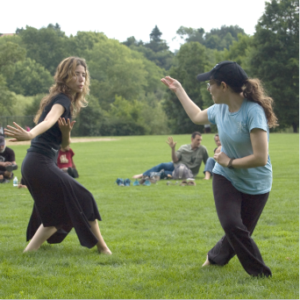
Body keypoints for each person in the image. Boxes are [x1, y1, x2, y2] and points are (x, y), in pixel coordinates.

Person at [161, 61, 278, 277]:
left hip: (256, 182)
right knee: (232, 225)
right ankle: (261, 273)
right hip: (226, 176)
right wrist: (179, 90)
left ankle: (214, 258)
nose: (208, 88)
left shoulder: (253, 113)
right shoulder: (219, 109)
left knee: (240, 233)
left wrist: (229, 161)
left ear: (223, 86)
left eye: (210, 84)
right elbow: (196, 116)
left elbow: (260, 158)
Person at [4, 56, 111, 255]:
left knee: (56, 212)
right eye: (76, 74)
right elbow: (49, 120)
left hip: (38, 164)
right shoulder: (61, 100)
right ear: (65, 76)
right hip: (39, 163)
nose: (81, 79)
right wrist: (29, 134)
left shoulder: (67, 102)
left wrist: (66, 134)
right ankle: (103, 248)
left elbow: (64, 146)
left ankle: (29, 252)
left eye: (84, 75)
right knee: (84, 198)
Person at [132, 132, 209, 179]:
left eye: (200, 140)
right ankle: (143, 175)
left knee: (164, 173)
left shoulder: (203, 150)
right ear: (192, 139)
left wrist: (208, 175)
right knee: (162, 165)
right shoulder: (184, 147)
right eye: (198, 140)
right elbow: (175, 160)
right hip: (175, 165)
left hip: (186, 172)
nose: (199, 142)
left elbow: (207, 163)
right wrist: (173, 149)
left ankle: (146, 176)